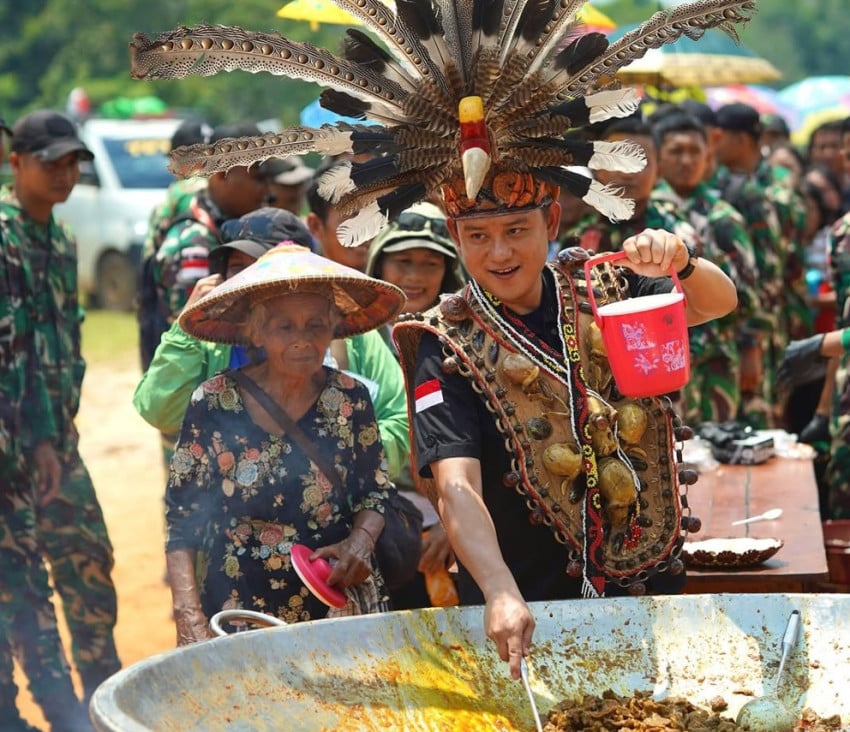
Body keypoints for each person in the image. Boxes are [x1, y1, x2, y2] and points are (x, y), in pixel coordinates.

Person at [129, 0, 752, 679]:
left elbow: (718, 304)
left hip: (646, 582)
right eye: (478, 237)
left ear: (550, 218)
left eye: (516, 230)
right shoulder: (442, 342)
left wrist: (681, 262)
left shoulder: (602, 286)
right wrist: (501, 587)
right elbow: (456, 486)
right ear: (456, 236)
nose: (499, 252)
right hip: (535, 606)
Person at [164, 244, 406, 643]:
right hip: (238, 604)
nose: (302, 341)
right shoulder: (213, 401)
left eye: (315, 326)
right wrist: (188, 614)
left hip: (335, 600)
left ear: (333, 327)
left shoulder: (350, 399)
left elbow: (375, 493)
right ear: (256, 332)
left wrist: (360, 543)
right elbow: (182, 519)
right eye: (284, 327)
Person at [133, 207, 412, 488]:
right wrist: (188, 325)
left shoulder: (347, 336)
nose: (244, 281)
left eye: (255, 268)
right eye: (235, 269)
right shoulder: (209, 344)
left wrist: (343, 460)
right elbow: (160, 411)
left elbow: (397, 418)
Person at [1, 110, 118, 727]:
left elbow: (61, 347)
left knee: (88, 563)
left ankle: (103, 700)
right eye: (51, 163)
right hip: (10, 450)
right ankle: (46, 708)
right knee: (18, 590)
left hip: (56, 445)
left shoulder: (61, 241)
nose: (66, 174)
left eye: (73, 162)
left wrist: (55, 438)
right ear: (14, 163)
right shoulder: (2, 236)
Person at [365, 202, 466, 609]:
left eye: (430, 263)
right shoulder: (355, 342)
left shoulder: (465, 341)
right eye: (403, 261)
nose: (415, 276)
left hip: (456, 527)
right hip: (375, 530)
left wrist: (455, 525)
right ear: (379, 266)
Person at [650, 112, 760, 424]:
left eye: (694, 151)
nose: (686, 160)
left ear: (708, 156)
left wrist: (750, 345)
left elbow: (748, 293)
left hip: (714, 360)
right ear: (658, 157)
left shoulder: (724, 218)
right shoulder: (644, 214)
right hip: (658, 360)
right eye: (676, 151)